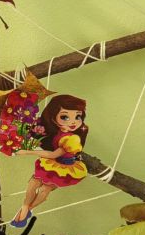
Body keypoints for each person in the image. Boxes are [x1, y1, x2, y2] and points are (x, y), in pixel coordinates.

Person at [10, 94, 88, 227]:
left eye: (78, 116)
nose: (73, 122)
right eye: (65, 117)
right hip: (51, 164)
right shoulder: (54, 131)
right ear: (53, 117)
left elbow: (53, 154)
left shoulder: (72, 138)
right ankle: (25, 207)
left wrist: (27, 152)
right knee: (32, 184)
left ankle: (27, 211)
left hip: (65, 168)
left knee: (44, 190)